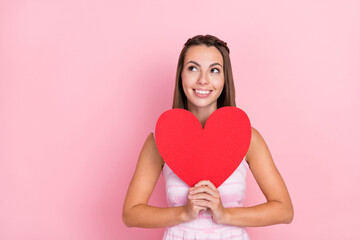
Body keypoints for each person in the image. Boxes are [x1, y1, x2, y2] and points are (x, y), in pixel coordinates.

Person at [122, 34, 294, 239]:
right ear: (181, 76)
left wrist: (224, 214)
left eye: (214, 70)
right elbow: (130, 214)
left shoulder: (248, 137)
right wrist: (184, 213)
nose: (203, 80)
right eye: (193, 68)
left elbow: (284, 210)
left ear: (224, 78)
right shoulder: (159, 139)